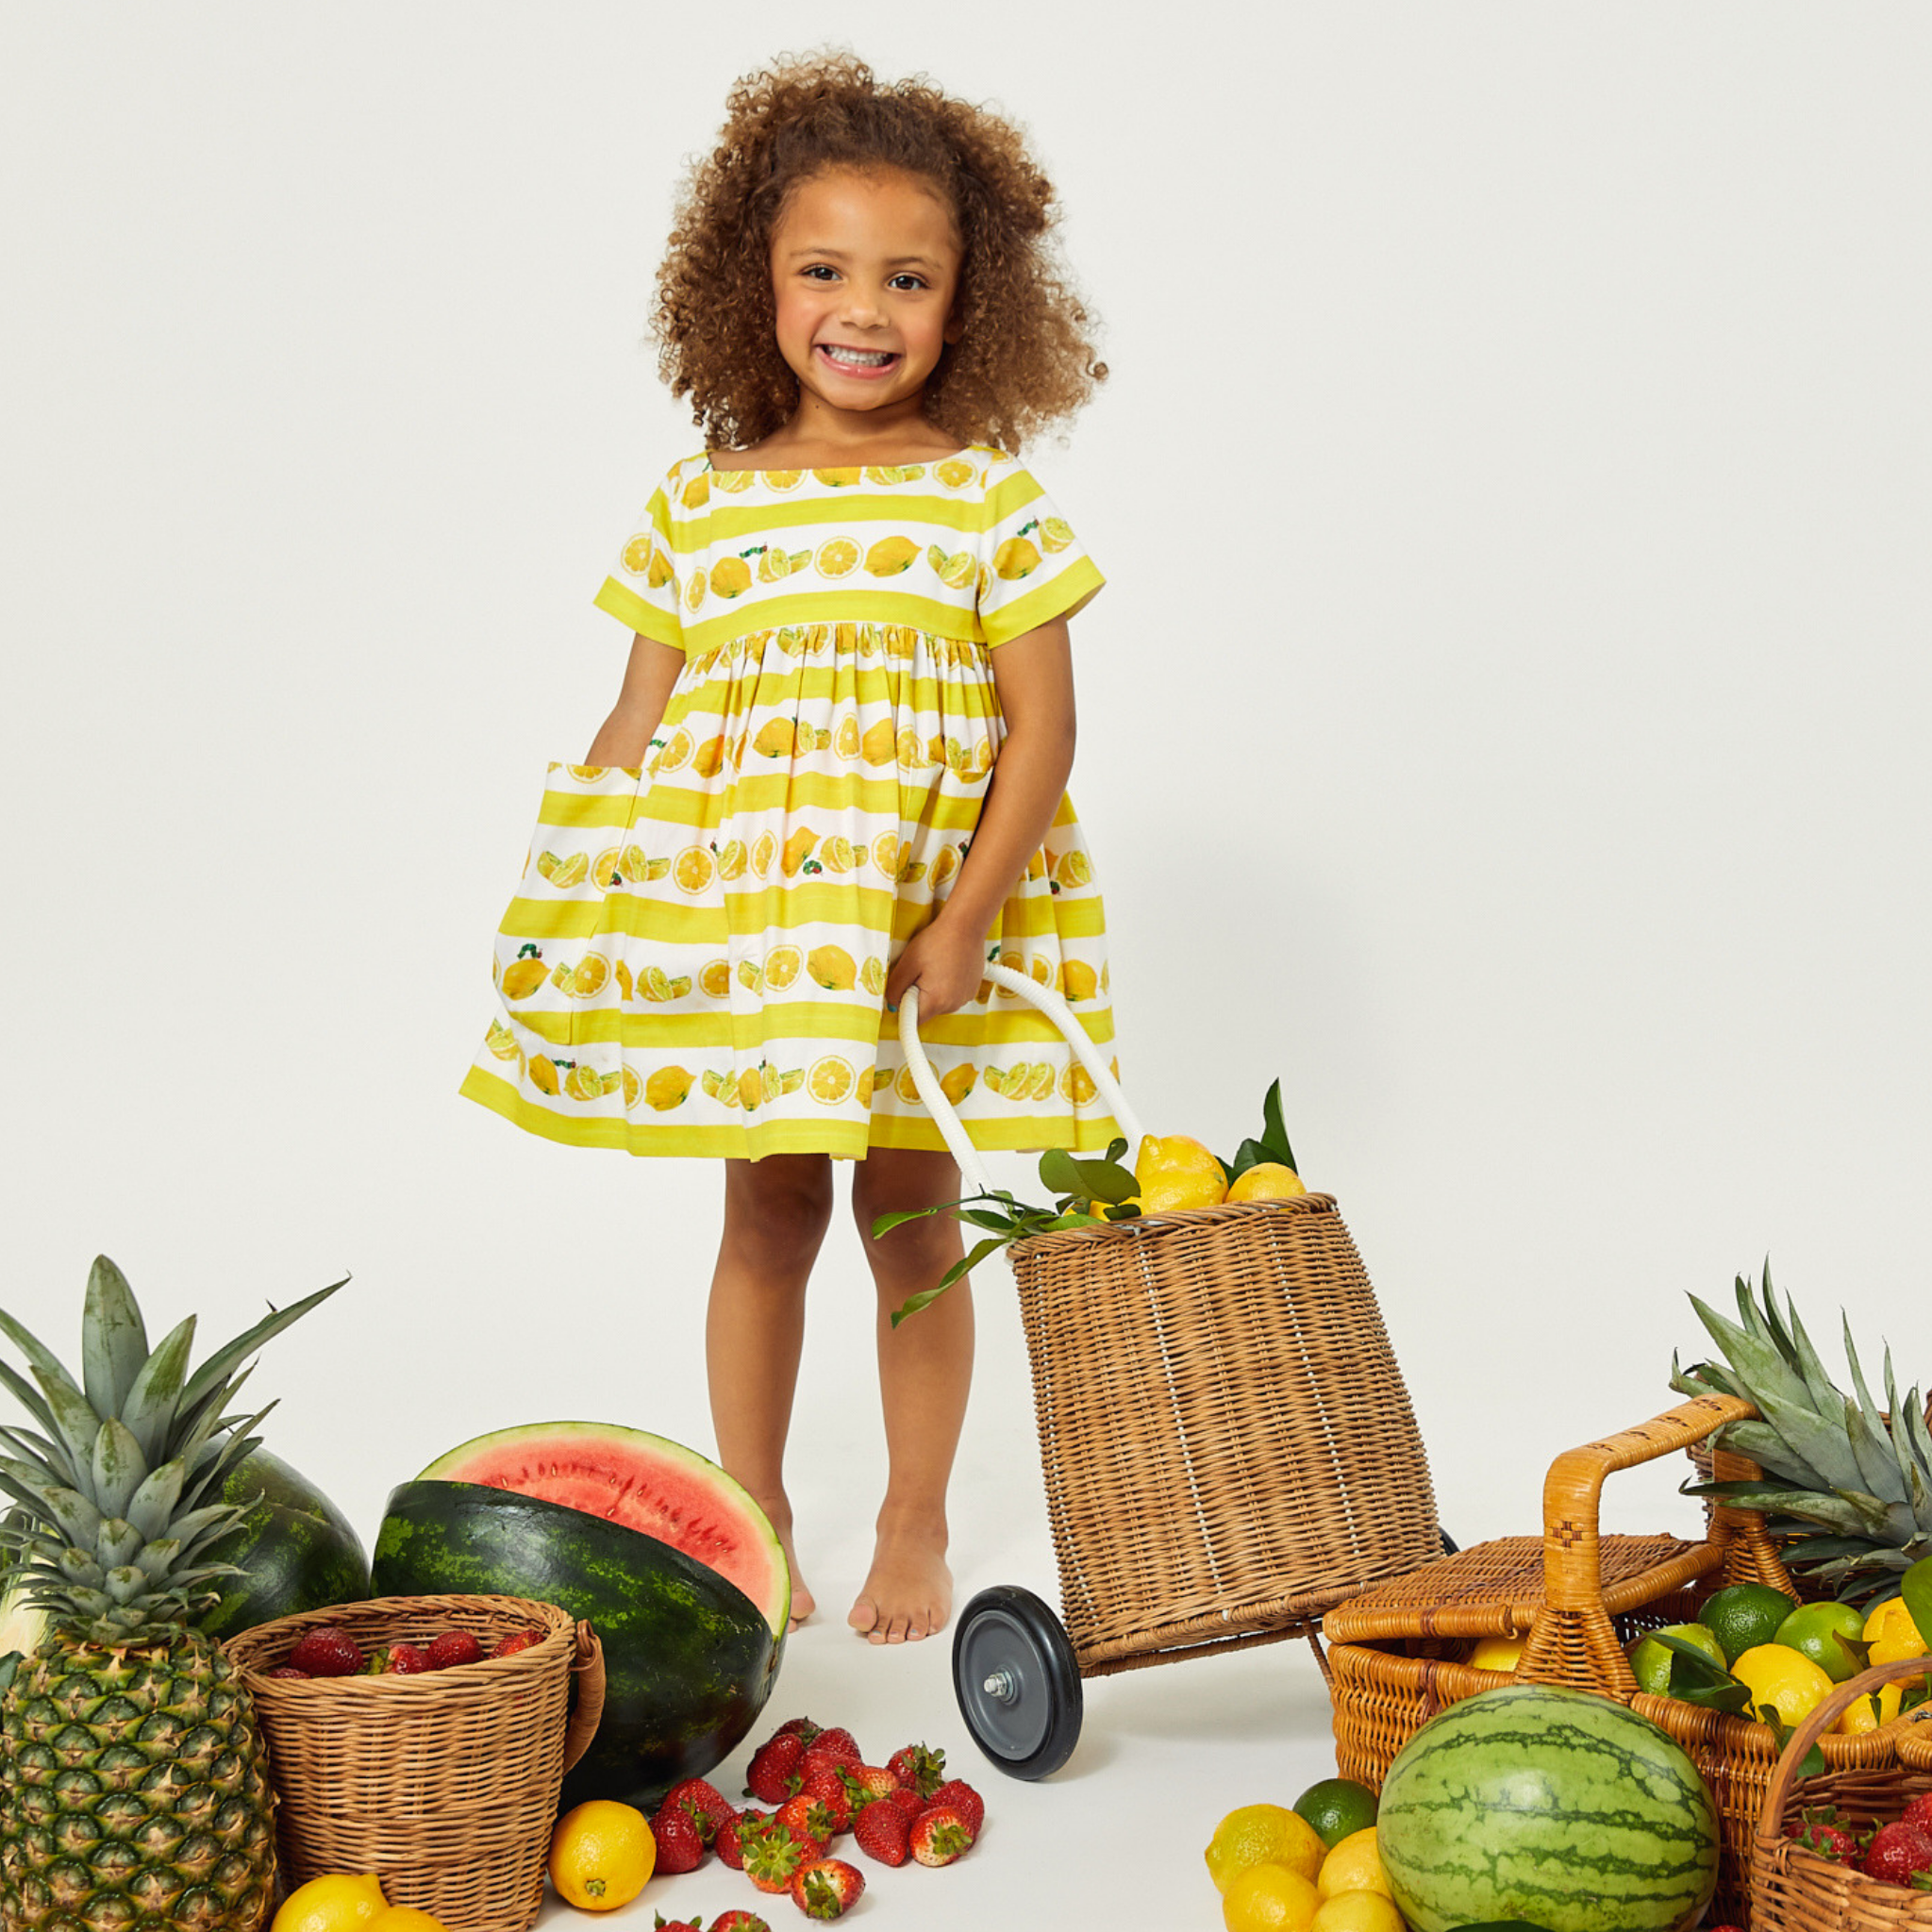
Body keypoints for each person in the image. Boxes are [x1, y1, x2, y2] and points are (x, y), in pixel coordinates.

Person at [460, 51, 1119, 1644]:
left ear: (969, 303)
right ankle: (747, 1514)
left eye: (909, 279)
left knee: (911, 1222)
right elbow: (636, 727)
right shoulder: (700, 507)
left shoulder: (985, 502)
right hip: (760, 938)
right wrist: (577, 905)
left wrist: (966, 920)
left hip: (915, 925)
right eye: (823, 270)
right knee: (764, 1219)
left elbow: (1044, 733)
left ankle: (914, 1515)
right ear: (752, 281)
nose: (862, 310)